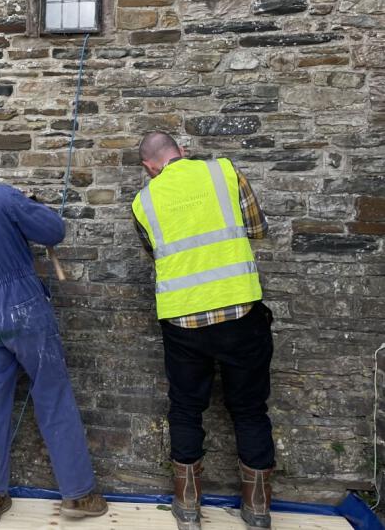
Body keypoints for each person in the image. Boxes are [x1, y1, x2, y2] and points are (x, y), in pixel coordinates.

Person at [0, 142, 108, 526]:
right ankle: (79, 495)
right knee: (52, 393)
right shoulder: (0, 196)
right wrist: (29, 206)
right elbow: (53, 231)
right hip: (21, 307)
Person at [131, 132, 275, 530]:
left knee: (185, 408)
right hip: (240, 310)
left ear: (149, 166)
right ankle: (258, 509)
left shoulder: (143, 201)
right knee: (249, 409)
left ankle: (188, 506)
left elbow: (156, 253)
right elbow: (258, 229)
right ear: (182, 151)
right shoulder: (224, 172)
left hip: (182, 321)